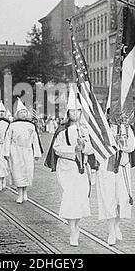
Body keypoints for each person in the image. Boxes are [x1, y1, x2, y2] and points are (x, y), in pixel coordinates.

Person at [45, 86, 96, 247]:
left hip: (82, 169)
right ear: (68, 113)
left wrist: (84, 147)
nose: (75, 114)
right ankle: (72, 229)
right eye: (72, 111)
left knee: (80, 198)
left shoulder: (84, 129)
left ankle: (76, 224)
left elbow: (90, 149)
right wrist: (72, 150)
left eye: (78, 111)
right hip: (67, 167)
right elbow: (57, 148)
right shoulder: (62, 130)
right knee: (70, 196)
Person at [95, 116, 135, 246]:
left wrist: (121, 144)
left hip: (122, 167)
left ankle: (117, 225)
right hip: (107, 167)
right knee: (109, 199)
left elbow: (131, 147)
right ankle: (110, 231)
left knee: (123, 199)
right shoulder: (102, 129)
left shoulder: (126, 128)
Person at [3, 98, 43, 203]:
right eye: (21, 112)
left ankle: (25, 191)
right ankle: (19, 193)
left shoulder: (31, 126)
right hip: (15, 151)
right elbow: (7, 139)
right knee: (17, 172)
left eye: (25, 112)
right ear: (17, 114)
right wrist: (6, 152)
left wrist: (37, 153)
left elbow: (35, 140)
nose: (23, 114)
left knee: (27, 171)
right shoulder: (12, 125)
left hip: (27, 151)